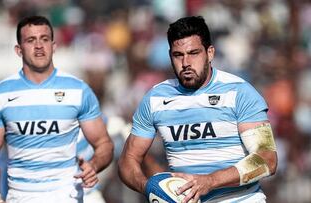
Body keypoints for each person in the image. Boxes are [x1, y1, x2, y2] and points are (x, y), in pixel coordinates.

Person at [118, 16, 278, 203]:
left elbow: (268, 159)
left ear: (210, 53)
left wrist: (210, 181)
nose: (186, 63)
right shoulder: (155, 98)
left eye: (193, 53)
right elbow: (128, 160)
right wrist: (150, 189)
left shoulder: (240, 92)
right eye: (178, 55)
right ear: (170, 55)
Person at [0, 15, 114, 203]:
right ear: (19, 50)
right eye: (31, 40)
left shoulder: (78, 90)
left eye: (44, 39)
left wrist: (94, 165)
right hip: (20, 197)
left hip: (67, 196)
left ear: (54, 46)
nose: (39, 45)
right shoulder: (0, 95)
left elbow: (104, 144)